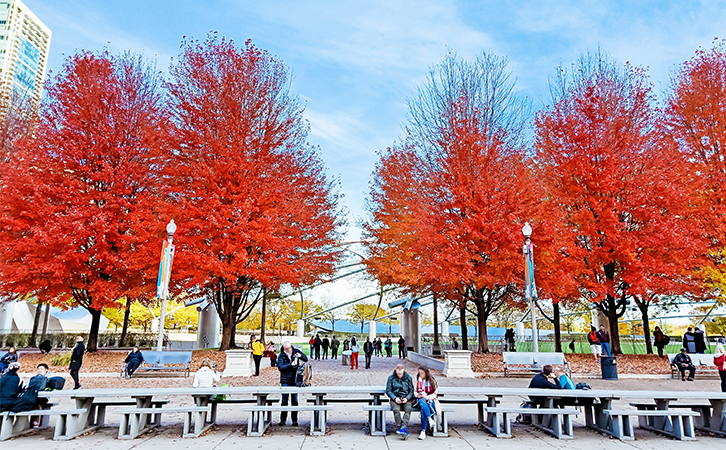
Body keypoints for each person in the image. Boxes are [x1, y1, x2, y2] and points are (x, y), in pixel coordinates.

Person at [277, 341, 308, 426]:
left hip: (295, 379)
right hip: (285, 379)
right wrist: (290, 364)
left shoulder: (296, 351)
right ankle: (283, 419)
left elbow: (306, 359)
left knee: (294, 400)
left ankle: (294, 420)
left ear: (291, 346)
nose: (286, 350)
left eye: (288, 348)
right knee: (284, 400)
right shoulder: (281, 355)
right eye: (285, 349)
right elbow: (280, 367)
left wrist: (300, 356)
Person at [386, 364, 414, 440]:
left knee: (408, 409)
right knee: (396, 410)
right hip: (395, 397)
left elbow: (411, 391)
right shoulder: (391, 378)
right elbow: (388, 390)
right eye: (398, 374)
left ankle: (403, 428)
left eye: (401, 374)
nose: (399, 375)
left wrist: (407, 398)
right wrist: (395, 398)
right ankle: (400, 427)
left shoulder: (408, 378)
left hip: (406, 397)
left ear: (403, 371)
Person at [414, 367, 439, 440]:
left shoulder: (432, 381)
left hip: (430, 401)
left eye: (422, 373)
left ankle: (423, 431)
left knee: (423, 410)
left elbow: (435, 394)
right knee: (422, 401)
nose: (420, 375)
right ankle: (429, 419)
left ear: (426, 373)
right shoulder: (418, 381)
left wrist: (427, 396)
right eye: (419, 373)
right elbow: (414, 391)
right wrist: (417, 394)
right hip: (420, 400)